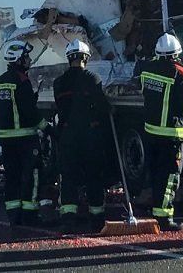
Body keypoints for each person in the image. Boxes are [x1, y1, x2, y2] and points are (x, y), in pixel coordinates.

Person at [137, 33, 183, 232]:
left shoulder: (147, 70)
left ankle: (157, 210)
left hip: (152, 131)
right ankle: (164, 217)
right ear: (177, 54)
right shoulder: (181, 73)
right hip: (172, 133)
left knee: (157, 173)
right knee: (169, 177)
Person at [53, 39, 113, 232]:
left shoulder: (59, 83)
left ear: (69, 58)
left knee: (68, 177)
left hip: (68, 135)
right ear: (86, 58)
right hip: (89, 135)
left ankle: (68, 218)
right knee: (93, 175)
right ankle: (97, 218)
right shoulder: (92, 79)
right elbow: (103, 108)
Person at [0, 40, 47, 226]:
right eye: (26, 57)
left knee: (12, 177)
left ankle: (13, 215)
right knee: (32, 175)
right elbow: (30, 112)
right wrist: (48, 128)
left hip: (6, 140)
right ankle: (30, 215)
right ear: (19, 59)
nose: (29, 60)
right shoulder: (22, 82)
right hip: (25, 139)